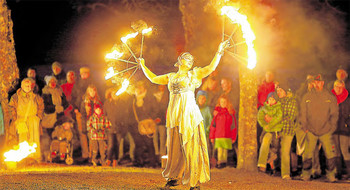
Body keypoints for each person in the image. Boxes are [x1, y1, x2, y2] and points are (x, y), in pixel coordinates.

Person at [139, 40, 229, 189]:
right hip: (175, 114)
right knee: (175, 147)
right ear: (180, 61)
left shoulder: (194, 74)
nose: (189, 61)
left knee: (191, 146)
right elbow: (153, 78)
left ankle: (194, 181)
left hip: (189, 114)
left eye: (191, 60)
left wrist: (219, 51)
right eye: (186, 59)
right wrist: (143, 65)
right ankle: (174, 177)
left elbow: (211, 67)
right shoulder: (171, 76)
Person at [298, 74, 338, 182]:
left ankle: (331, 175)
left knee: (330, 154)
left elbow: (334, 114)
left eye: (319, 82)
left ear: (323, 83)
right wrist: (305, 127)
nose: (317, 84)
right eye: (315, 82)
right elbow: (303, 113)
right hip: (311, 130)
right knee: (308, 154)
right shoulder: (307, 97)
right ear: (313, 83)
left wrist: (332, 127)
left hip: (326, 130)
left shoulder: (329, 97)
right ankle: (306, 174)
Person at [8, 78, 44, 162]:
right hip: (21, 120)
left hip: (33, 120)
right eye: (26, 86)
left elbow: (41, 106)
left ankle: (35, 158)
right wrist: (15, 119)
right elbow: (11, 108)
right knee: (23, 139)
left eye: (29, 86)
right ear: (22, 86)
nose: (28, 87)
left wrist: (38, 117)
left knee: (34, 139)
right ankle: (24, 159)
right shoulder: (15, 97)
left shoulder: (35, 96)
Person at [257, 92, 282, 173]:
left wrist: (270, 122)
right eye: (270, 99)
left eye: (273, 99)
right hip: (267, 130)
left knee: (273, 145)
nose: (271, 101)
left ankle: (265, 164)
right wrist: (265, 125)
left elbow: (278, 118)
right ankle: (265, 164)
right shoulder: (264, 108)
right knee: (264, 142)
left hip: (275, 130)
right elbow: (260, 117)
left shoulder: (278, 108)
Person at [276, 86, 298, 180]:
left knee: (285, 151)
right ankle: (279, 170)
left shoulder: (291, 101)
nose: (278, 92)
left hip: (288, 130)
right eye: (277, 91)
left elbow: (290, 117)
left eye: (280, 90)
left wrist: (278, 121)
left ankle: (286, 173)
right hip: (278, 130)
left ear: (285, 91)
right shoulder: (279, 102)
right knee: (280, 151)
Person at [209, 95, 235, 169]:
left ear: (227, 103)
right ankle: (220, 162)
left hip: (227, 135)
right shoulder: (217, 114)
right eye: (221, 102)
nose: (223, 103)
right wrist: (212, 136)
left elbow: (233, 126)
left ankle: (224, 162)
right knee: (220, 149)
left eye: (224, 102)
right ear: (219, 103)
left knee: (225, 150)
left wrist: (233, 136)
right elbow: (213, 126)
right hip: (218, 135)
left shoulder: (230, 114)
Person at [331, 80, 350, 179]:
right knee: (336, 151)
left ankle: (349, 172)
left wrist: (347, 124)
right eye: (336, 86)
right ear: (334, 87)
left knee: (345, 151)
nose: (338, 88)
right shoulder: (331, 99)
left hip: (344, 130)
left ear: (343, 87)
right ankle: (338, 173)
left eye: (340, 87)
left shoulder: (347, 100)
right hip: (334, 130)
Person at [152, 84, 169, 165]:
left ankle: (162, 156)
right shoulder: (154, 96)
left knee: (162, 139)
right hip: (154, 121)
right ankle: (156, 155)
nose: (161, 87)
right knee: (155, 139)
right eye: (160, 86)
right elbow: (152, 108)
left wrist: (161, 118)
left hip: (162, 121)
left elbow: (166, 109)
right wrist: (154, 118)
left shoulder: (167, 97)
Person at [196, 90, 213, 158]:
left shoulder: (207, 109)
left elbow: (210, 120)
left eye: (203, 99)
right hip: (196, 131)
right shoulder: (195, 109)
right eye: (200, 98)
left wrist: (208, 128)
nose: (201, 100)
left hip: (205, 131)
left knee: (205, 146)